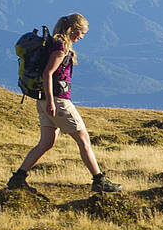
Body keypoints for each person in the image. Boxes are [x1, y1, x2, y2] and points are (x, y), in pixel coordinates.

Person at [7, 13, 122, 193]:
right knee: (84, 139)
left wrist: (46, 102)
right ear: (74, 30)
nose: (82, 37)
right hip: (58, 102)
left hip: (43, 100)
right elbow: (48, 73)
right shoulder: (61, 48)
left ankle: (18, 178)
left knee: (46, 143)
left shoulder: (53, 44)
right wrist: (51, 102)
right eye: (82, 33)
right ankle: (99, 180)